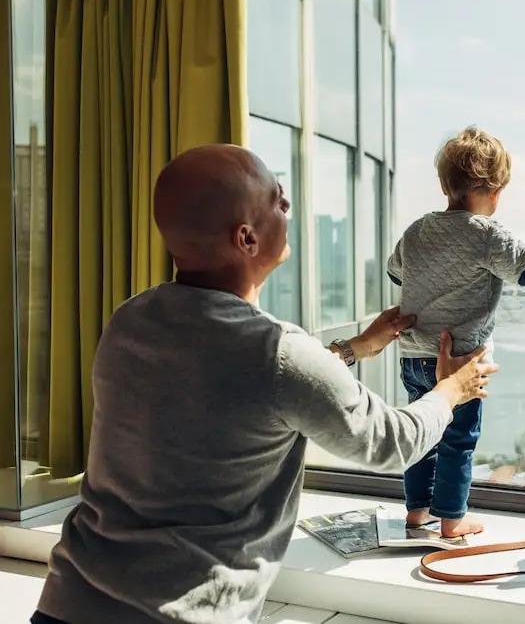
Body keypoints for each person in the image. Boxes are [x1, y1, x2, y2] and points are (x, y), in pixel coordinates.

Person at [33, 144, 498, 624]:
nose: (288, 206)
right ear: (247, 238)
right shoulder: (278, 352)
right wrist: (452, 389)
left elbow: (243, 383)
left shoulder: (130, 320)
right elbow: (389, 444)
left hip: (66, 604)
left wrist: (356, 348)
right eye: (277, 199)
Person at [387, 126, 525, 538]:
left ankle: (417, 511)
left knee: (423, 432)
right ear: (495, 190)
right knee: (458, 439)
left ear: (444, 185)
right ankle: (452, 519)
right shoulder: (486, 234)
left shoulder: (418, 230)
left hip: (413, 356)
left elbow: (395, 271)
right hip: (460, 364)